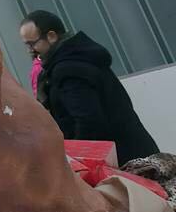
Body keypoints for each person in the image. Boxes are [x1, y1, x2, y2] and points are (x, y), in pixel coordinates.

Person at [20, 10, 159, 164]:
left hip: (122, 162)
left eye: (32, 43)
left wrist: (77, 162)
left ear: (51, 36)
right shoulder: (81, 58)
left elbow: (88, 122)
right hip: (134, 152)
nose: (30, 50)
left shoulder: (69, 69)